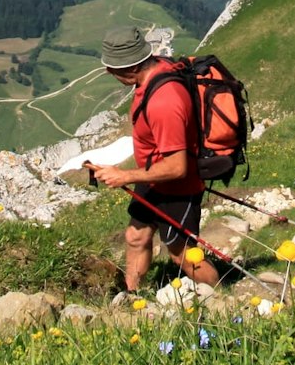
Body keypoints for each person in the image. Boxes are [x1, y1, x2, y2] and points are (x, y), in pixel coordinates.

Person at [87, 26, 219, 291]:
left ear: (130, 68)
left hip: (176, 186)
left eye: (112, 69)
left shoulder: (163, 102)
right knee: (136, 236)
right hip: (152, 177)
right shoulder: (156, 71)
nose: (109, 74)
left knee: (182, 254)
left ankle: (223, 295)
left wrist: (124, 175)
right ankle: (132, 296)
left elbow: (177, 167)